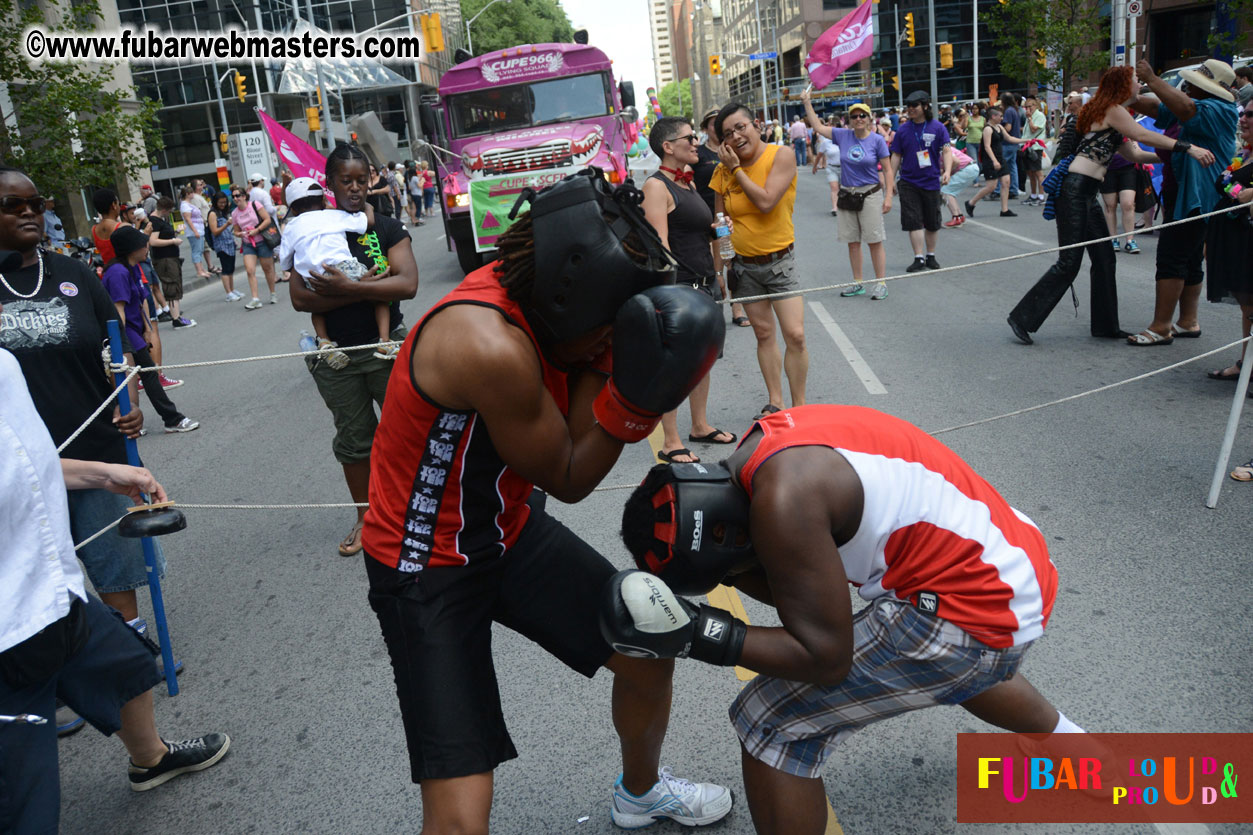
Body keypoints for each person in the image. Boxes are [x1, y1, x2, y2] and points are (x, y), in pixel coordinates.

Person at [359, 166, 730, 833]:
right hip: (425, 564)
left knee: (647, 648)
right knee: (461, 810)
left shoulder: (556, 318)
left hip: (507, 529)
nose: (611, 341)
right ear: (571, 301)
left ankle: (640, 793)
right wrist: (635, 392)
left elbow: (573, 433)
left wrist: (613, 358)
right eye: (606, 330)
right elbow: (569, 471)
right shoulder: (487, 342)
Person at [607, 404, 1083, 835]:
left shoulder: (782, 505)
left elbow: (825, 657)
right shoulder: (762, 447)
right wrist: (728, 574)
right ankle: (1077, 750)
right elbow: (802, 595)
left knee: (768, 722)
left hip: (978, 606)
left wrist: (696, 632)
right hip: (1012, 560)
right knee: (935, 662)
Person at [0, 346, 229, 832]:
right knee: (25, 805)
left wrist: (101, 474)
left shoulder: (4, 364)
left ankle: (151, 758)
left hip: (55, 590)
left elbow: (25, 462)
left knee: (125, 661)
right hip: (6, 633)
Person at [1007, 66, 1211, 345]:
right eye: (1137, 82)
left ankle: (1105, 325)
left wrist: (1172, 158)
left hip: (1087, 192)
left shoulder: (1116, 114)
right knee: (1069, 262)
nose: (1141, 86)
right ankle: (1022, 318)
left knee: (1105, 259)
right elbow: (1143, 135)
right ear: (1124, 86)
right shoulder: (1113, 109)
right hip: (1074, 190)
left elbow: (1135, 153)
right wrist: (1186, 148)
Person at [288, 144, 418, 558]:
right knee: (354, 440)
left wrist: (351, 289)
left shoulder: (385, 226)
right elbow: (299, 299)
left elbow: (408, 284)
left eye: (363, 180)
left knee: (410, 433)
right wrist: (359, 292)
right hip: (336, 357)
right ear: (330, 184)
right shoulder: (312, 227)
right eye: (347, 180)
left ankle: (419, 514)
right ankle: (367, 519)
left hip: (386, 347)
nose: (356, 188)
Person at [642, 116, 737, 464]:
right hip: (680, 288)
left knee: (703, 361)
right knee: (676, 366)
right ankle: (670, 440)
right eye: (689, 138)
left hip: (704, 283)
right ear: (668, 147)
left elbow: (701, 233)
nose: (697, 142)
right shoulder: (656, 187)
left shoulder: (690, 183)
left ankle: (700, 425)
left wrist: (718, 264)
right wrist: (669, 295)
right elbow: (661, 246)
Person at [1125, 58, 1236, 346]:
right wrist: (1127, 94)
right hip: (1188, 196)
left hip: (1198, 199)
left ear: (1208, 88)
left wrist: (1151, 78)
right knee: (1189, 259)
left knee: (1172, 257)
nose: (1186, 86)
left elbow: (1184, 108)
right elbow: (1155, 108)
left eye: (1193, 83)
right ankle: (1188, 321)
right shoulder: (1190, 108)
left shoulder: (1218, 109)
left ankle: (1161, 326)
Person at [710, 101, 808, 421]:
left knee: (795, 334)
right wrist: (721, 263)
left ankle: (800, 405)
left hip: (780, 261)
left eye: (741, 127)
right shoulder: (720, 172)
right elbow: (720, 219)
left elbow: (766, 201)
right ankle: (776, 402)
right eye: (727, 134)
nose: (736, 136)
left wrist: (737, 169)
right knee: (764, 334)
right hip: (744, 266)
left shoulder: (780, 156)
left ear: (756, 124)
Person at [279, 176, 398, 367]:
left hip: (315, 277)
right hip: (345, 270)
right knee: (378, 294)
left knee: (317, 308)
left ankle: (325, 341)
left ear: (292, 209)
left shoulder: (291, 227)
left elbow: (284, 261)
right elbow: (367, 222)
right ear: (324, 201)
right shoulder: (333, 215)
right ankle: (384, 341)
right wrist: (368, 206)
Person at [100, 226, 199, 434]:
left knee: (140, 376)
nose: (146, 246)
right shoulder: (117, 272)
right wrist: (122, 344)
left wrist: (147, 329)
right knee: (146, 374)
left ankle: (130, 422)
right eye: (141, 243)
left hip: (135, 330)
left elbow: (142, 299)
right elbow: (118, 312)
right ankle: (171, 418)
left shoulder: (134, 266)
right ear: (130, 248)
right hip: (123, 331)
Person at [801, 91, 894, 300]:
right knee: (852, 242)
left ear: (870, 119)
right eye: (854, 116)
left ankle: (881, 283)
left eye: (863, 116)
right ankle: (857, 282)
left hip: (870, 193)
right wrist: (807, 102)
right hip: (848, 194)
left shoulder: (877, 140)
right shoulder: (843, 135)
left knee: (874, 240)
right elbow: (817, 126)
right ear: (849, 121)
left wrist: (888, 197)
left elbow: (887, 170)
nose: (859, 119)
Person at [1203, 101, 1253, 384]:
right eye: (1242, 113)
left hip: (1248, 238)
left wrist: (1246, 194)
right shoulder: (1243, 154)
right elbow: (1227, 184)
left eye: (1250, 115)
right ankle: (1247, 363)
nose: (1242, 119)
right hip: (1235, 239)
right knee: (1248, 305)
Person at [692, 108, 750, 328]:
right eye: (713, 123)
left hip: (731, 218)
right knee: (713, 265)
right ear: (706, 128)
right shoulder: (699, 154)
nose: (717, 127)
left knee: (731, 261)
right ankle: (715, 306)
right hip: (707, 218)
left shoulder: (736, 150)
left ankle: (737, 307)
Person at [889, 90, 953, 272]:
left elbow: (947, 150)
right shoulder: (902, 130)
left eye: (914, 106)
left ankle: (930, 256)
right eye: (908, 106)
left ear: (925, 106)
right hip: (909, 181)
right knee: (913, 220)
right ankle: (918, 257)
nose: (910, 109)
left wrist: (947, 171)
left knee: (932, 221)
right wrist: (891, 180)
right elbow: (896, 155)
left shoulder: (938, 127)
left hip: (931, 180)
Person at [965, 106, 1031, 218]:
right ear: (993, 116)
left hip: (1000, 158)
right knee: (991, 186)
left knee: (1006, 182)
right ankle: (971, 203)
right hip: (990, 160)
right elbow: (986, 147)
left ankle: (1004, 210)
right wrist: (994, 161)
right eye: (1000, 116)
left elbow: (1009, 138)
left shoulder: (999, 127)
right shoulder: (988, 129)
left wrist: (1026, 140)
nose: (1002, 118)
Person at [145, 195, 195, 329]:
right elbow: (153, 241)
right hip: (164, 259)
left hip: (169, 257)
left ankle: (177, 316)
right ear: (164, 210)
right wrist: (173, 241)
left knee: (174, 284)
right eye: (170, 211)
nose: (170, 213)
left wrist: (174, 233)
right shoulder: (155, 221)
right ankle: (176, 319)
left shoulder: (159, 220)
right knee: (171, 285)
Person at [229, 185, 280, 309]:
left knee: (267, 269)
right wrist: (239, 234)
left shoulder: (255, 205)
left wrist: (257, 230)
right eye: (233, 196)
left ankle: (273, 293)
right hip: (248, 244)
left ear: (244, 196)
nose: (235, 198)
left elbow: (267, 219)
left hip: (262, 240)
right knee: (250, 270)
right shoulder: (235, 213)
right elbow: (235, 231)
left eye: (238, 195)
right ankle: (255, 298)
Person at [1100, 149, 1142, 254]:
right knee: (1110, 205)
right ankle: (1113, 238)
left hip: (1127, 166)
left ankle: (1130, 240)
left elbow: (1134, 143)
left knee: (1128, 204)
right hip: (1106, 168)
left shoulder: (1126, 132)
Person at [205, 191, 241, 301]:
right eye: (221, 202)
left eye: (224, 202)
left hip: (229, 243)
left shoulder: (222, 212)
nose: (223, 204)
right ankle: (228, 293)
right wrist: (227, 224)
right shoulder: (213, 214)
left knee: (231, 268)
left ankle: (232, 289)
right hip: (221, 245)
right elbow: (214, 231)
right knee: (226, 269)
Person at [178, 185, 213, 281]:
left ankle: (202, 269)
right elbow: (188, 219)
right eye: (191, 193)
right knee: (196, 251)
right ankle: (199, 271)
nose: (193, 194)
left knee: (200, 249)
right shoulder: (185, 205)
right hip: (194, 231)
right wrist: (195, 231)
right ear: (188, 194)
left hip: (199, 230)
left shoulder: (189, 204)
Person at [940, 144, 978, 227]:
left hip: (967, 168)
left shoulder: (941, 149)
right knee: (950, 192)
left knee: (946, 191)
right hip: (971, 167)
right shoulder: (942, 148)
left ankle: (956, 218)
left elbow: (956, 161)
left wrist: (948, 173)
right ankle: (960, 216)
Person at [1021, 96, 1048, 205]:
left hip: (1036, 147)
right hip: (1027, 146)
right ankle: (1033, 195)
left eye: (1029, 106)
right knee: (1030, 172)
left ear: (1035, 106)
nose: (1027, 109)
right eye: (1026, 107)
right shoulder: (1029, 116)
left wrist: (1030, 119)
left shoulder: (1039, 116)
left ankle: (1041, 196)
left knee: (1038, 172)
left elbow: (1034, 129)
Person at [91, 187, 121, 263]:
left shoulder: (94, 230)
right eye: (118, 203)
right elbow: (140, 252)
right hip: (126, 271)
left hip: (108, 271)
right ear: (113, 205)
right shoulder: (122, 227)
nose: (119, 207)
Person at [965, 102, 986, 168]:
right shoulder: (968, 118)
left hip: (981, 142)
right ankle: (976, 178)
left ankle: (978, 175)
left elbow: (985, 130)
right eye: (973, 109)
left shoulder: (983, 119)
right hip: (970, 142)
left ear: (979, 109)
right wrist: (965, 118)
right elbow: (964, 127)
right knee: (974, 161)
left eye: (976, 108)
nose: (974, 110)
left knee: (980, 162)